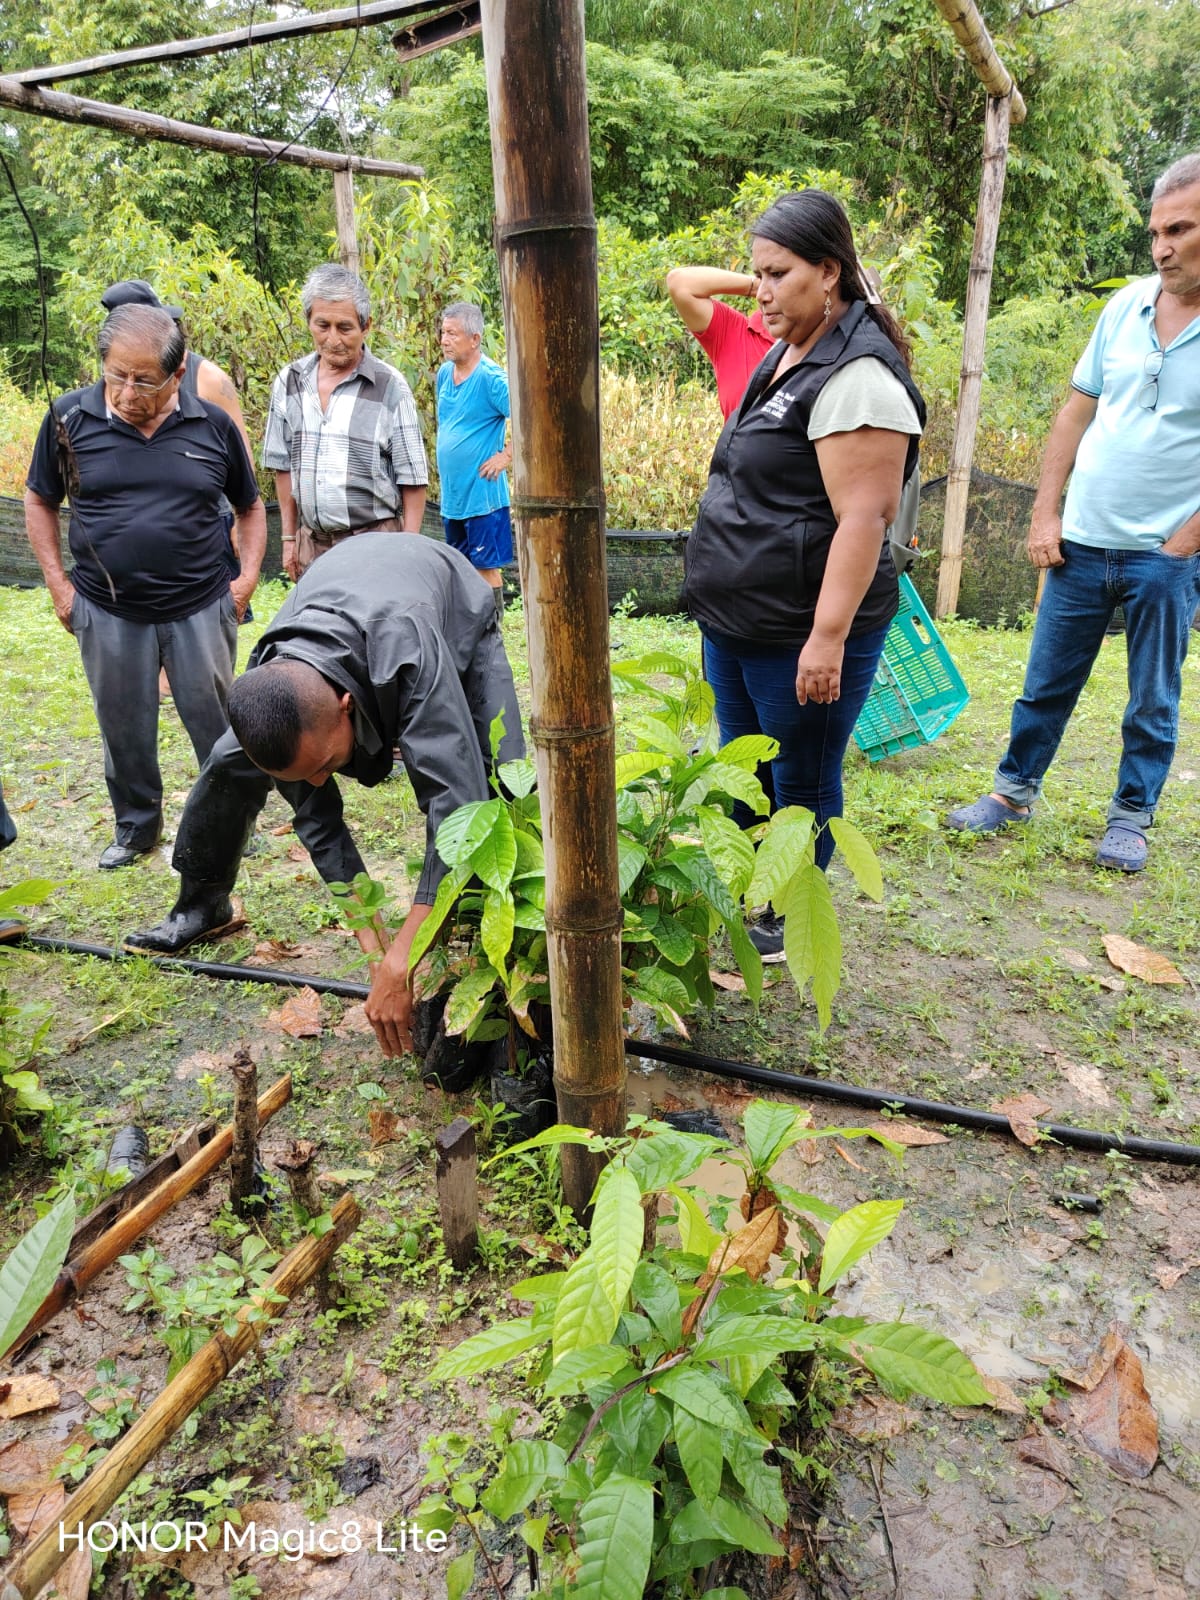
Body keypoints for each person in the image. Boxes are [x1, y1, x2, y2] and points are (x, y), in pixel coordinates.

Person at [125, 533, 525, 1058]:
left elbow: (457, 805)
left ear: (344, 706)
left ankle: (503, 946)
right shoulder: (276, 681)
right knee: (226, 762)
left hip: (448, 601)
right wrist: (374, 946)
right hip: (348, 592)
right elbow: (319, 821)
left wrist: (405, 955)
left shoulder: (409, 660)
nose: (316, 784)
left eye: (321, 767)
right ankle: (202, 903)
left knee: (504, 778)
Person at [682, 190, 925, 961]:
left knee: (801, 778)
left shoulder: (860, 377)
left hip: (798, 631)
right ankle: (749, 886)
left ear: (828, 272)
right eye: (756, 274)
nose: (760, 291)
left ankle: (788, 909)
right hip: (742, 621)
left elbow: (864, 519)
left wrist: (827, 638)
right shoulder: (792, 350)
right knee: (747, 764)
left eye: (777, 274)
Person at [947, 152, 1200, 873]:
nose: (1161, 248)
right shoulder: (1125, 308)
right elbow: (1074, 414)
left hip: (1165, 555)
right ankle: (1012, 793)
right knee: (1045, 684)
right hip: (1081, 542)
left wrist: (1186, 541)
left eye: (1179, 230)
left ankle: (1131, 817)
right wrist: (1044, 514)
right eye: (1155, 233)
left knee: (1152, 698)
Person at [24, 304, 266, 870]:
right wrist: (59, 587)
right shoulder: (67, 419)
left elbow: (251, 507)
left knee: (215, 722)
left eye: (144, 380)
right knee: (123, 725)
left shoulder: (213, 425)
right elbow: (39, 499)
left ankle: (230, 823)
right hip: (106, 608)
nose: (127, 392)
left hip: (202, 603)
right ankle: (136, 828)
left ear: (178, 374)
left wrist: (246, 582)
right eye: (116, 376)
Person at [100, 279, 257, 621]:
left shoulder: (207, 379)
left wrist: (238, 524)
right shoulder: (119, 383)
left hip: (205, 524)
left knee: (209, 626)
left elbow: (241, 459)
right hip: (133, 546)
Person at [262, 264, 428, 580]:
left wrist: (408, 553)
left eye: (345, 327)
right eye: (322, 325)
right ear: (309, 321)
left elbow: (413, 479)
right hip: (312, 547)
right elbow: (282, 466)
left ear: (366, 326)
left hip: (376, 548)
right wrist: (288, 538)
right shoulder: (290, 382)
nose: (333, 339)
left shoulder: (389, 386)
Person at [435, 302, 513, 609]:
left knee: (485, 569)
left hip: (483, 496)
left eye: (453, 334)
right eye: (443, 332)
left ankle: (492, 630)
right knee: (459, 567)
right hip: (453, 497)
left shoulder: (491, 379)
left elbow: (532, 419)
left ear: (475, 339)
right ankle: (468, 630)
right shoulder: (445, 374)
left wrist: (506, 456)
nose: (445, 340)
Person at [666, 265, 774, 419]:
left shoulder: (809, 341)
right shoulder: (734, 333)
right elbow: (680, 283)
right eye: (763, 275)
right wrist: (758, 287)